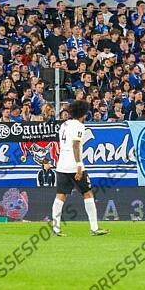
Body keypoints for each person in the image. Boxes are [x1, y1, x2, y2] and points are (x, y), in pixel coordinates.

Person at [51, 100, 109, 236]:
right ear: (83, 113)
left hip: (62, 164)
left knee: (60, 195)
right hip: (74, 164)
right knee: (87, 193)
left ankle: (55, 228)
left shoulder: (64, 124)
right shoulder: (79, 126)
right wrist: (79, 165)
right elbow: (76, 145)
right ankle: (94, 228)